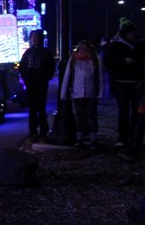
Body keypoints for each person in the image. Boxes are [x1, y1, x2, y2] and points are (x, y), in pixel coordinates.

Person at [103, 17, 145, 147]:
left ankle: (134, 136)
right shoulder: (115, 45)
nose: (133, 34)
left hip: (137, 82)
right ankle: (122, 137)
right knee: (124, 111)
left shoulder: (138, 44)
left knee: (137, 111)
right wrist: (123, 61)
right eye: (130, 32)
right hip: (120, 82)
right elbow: (108, 62)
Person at [60, 39, 103, 148]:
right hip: (77, 92)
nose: (83, 51)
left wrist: (100, 92)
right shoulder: (74, 60)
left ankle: (93, 139)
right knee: (79, 117)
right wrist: (64, 92)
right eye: (81, 49)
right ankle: (80, 139)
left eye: (85, 49)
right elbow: (67, 76)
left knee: (91, 116)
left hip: (91, 92)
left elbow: (100, 77)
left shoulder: (95, 60)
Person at [19, 29, 56, 142]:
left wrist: (47, 77)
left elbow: (51, 67)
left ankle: (43, 131)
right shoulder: (28, 52)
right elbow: (22, 66)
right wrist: (26, 79)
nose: (34, 39)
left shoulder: (46, 52)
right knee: (32, 109)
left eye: (36, 37)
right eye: (32, 37)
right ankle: (33, 131)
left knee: (41, 108)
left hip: (41, 83)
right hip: (31, 83)